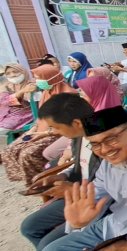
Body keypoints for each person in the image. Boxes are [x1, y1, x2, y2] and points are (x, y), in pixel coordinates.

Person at [42, 106, 127, 251]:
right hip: (111, 224)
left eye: (111, 139)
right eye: (95, 144)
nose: (104, 150)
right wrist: (80, 220)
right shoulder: (110, 161)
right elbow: (97, 194)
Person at [20, 94, 98, 250]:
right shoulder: (79, 136)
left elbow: (115, 187)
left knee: (47, 246)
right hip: (78, 193)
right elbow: (79, 164)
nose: (54, 132)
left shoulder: (107, 144)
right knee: (29, 227)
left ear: (76, 123)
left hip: (97, 201)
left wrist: (71, 189)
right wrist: (62, 175)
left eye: (56, 127)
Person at [0, 65, 76, 185]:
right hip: (41, 129)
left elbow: (67, 124)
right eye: (36, 78)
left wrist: (41, 134)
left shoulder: (68, 95)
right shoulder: (46, 92)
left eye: (39, 78)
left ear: (50, 78)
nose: (37, 82)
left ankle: (41, 181)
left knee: (27, 153)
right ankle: (30, 179)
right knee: (12, 148)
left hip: (58, 132)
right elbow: (41, 115)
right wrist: (34, 129)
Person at [0, 63, 35, 136]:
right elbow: (5, 102)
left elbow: (30, 100)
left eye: (15, 72)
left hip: (24, 114)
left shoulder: (32, 84)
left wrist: (21, 92)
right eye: (8, 73)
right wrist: (22, 91)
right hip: (7, 113)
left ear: (23, 71)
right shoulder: (7, 85)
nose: (12, 75)